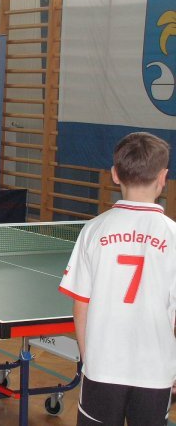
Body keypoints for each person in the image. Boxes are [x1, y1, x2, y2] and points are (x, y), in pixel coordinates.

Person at [59, 132, 176, 426]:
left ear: (114, 174)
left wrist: (88, 359)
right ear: (163, 178)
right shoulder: (173, 235)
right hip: (155, 369)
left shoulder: (93, 230)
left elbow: (81, 305)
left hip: (102, 366)